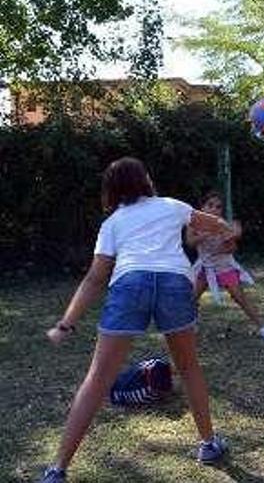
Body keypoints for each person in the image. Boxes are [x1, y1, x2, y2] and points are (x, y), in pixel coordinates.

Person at [41, 157, 232, 482]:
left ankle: (57, 470)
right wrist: (225, 228)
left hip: (130, 283)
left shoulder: (112, 223)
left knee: (97, 379)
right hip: (174, 281)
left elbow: (94, 279)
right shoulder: (172, 205)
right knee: (188, 368)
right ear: (146, 180)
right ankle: (209, 444)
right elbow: (217, 226)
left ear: (111, 190)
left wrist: (66, 324)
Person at [186, 191, 264, 343]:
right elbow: (189, 243)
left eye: (218, 207)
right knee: (191, 298)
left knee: (239, 297)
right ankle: (192, 322)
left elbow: (233, 247)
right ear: (202, 207)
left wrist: (228, 240)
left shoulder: (223, 224)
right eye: (210, 205)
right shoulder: (192, 223)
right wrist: (206, 234)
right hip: (204, 267)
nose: (214, 209)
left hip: (224, 267)